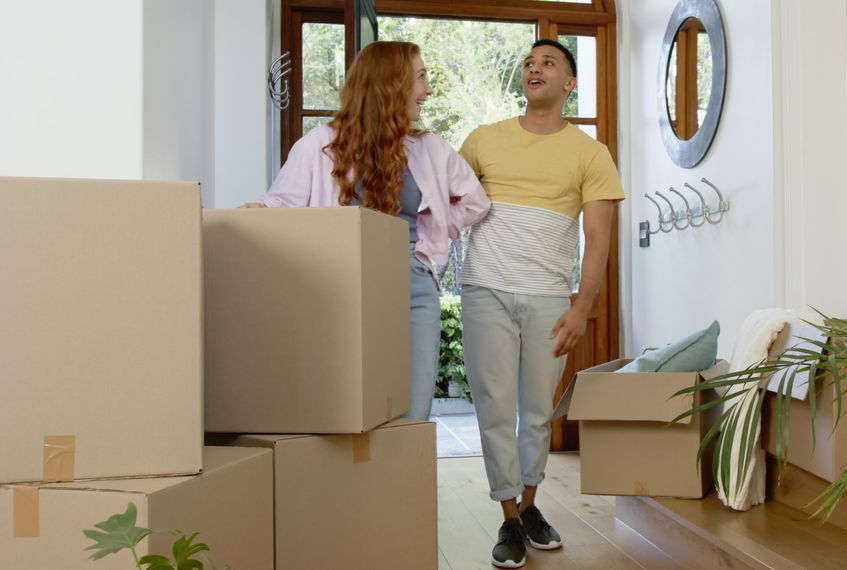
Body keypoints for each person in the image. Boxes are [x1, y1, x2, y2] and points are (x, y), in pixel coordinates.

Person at [243, 41, 491, 421]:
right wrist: (257, 212)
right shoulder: (319, 145)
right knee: (348, 408)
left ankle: (404, 479)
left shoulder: (430, 150)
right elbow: (282, 204)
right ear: (392, 83)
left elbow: (476, 202)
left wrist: (436, 225)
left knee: (412, 410)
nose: (428, 90)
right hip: (342, 288)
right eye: (421, 77)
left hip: (414, 288)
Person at [457, 39, 624, 568]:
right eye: (530, 63)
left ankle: (530, 507)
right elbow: (449, 204)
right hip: (485, 289)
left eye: (549, 63)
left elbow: (597, 240)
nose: (535, 68)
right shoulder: (483, 140)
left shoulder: (590, 153)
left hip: (549, 298)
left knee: (536, 413)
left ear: (568, 85)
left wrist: (581, 307)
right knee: (493, 411)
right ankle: (508, 518)